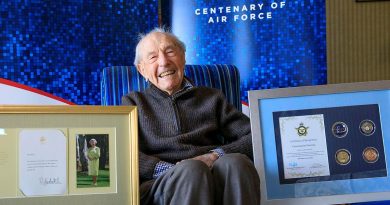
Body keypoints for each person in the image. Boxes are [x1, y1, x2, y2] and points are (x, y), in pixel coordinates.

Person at [122, 27, 260, 205]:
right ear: (142, 70)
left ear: (183, 57)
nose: (164, 62)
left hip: (211, 170)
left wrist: (215, 155)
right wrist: (173, 169)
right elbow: (123, 152)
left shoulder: (212, 97)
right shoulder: (133, 102)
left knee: (237, 163)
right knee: (192, 170)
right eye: (153, 57)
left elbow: (254, 136)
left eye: (170, 52)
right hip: (159, 183)